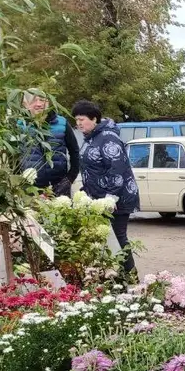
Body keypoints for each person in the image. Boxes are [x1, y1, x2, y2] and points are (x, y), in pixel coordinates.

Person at [71, 100, 140, 276]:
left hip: (117, 198)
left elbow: (117, 168)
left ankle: (130, 277)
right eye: (76, 120)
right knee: (104, 239)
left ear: (94, 119)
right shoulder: (91, 138)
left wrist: (111, 197)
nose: (78, 123)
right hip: (99, 197)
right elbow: (92, 168)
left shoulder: (108, 138)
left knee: (118, 237)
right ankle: (114, 277)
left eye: (82, 119)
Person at [19, 91, 80, 197]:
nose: (39, 104)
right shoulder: (19, 125)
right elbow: (13, 156)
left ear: (48, 103)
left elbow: (74, 151)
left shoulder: (62, 123)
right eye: (33, 100)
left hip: (59, 185)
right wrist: (19, 182)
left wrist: (70, 177)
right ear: (26, 104)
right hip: (30, 187)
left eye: (42, 100)